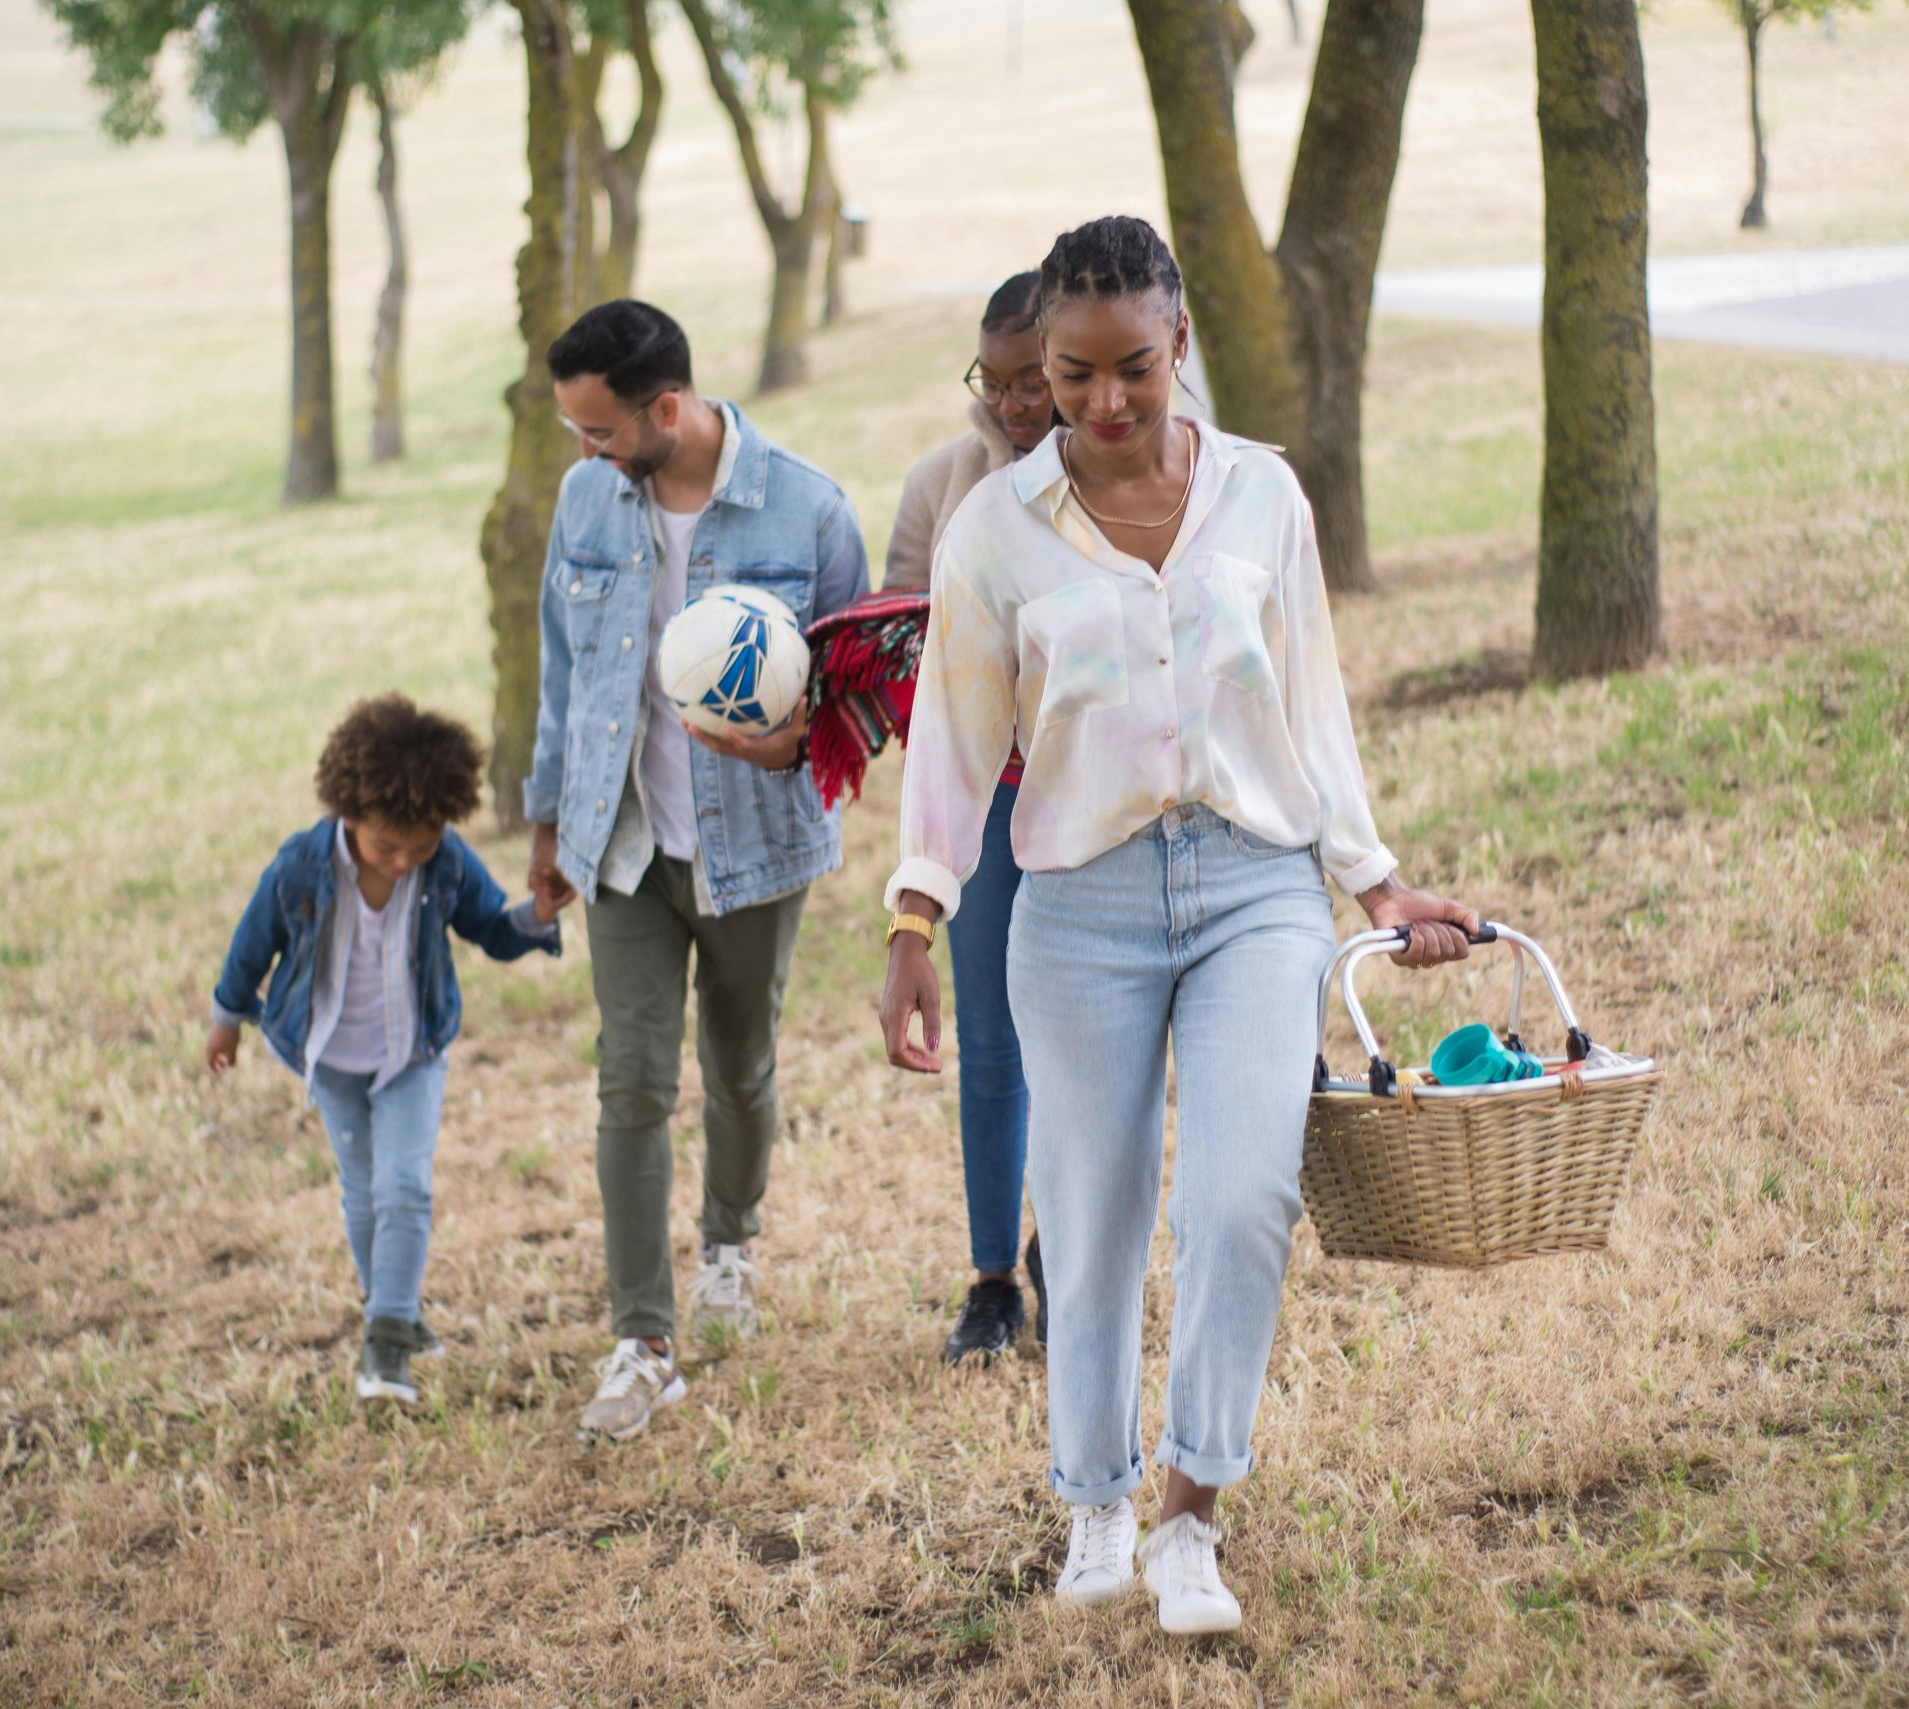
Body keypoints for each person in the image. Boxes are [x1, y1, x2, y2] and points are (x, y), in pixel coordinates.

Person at [875, 217, 1480, 1635]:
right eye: (1068, 374)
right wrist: (916, 914)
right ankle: (1093, 1498)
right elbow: (953, 743)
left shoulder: (1265, 497)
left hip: (1253, 886)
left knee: (1241, 1196)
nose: (1100, 405)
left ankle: (1191, 1515)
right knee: (1086, 1222)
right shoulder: (995, 531)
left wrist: (1375, 883)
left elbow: (1311, 707)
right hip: (1075, 904)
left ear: (1179, 345)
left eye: (1130, 369)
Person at [522, 299, 870, 1444]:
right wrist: (546, 823)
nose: (585, 452)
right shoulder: (587, 501)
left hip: (754, 845)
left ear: (662, 409)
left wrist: (794, 740)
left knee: (739, 1065)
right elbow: (562, 672)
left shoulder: (809, 509)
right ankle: (643, 1337)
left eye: (599, 429)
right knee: (629, 1080)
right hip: (621, 841)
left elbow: (860, 700)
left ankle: (730, 1241)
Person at [206, 695, 570, 1409]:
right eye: (385, 847)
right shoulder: (300, 866)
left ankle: (389, 1341)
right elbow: (252, 946)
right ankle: (393, 1304)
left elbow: (492, 930)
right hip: (332, 1054)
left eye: (421, 846)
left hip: (412, 1050)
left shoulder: (446, 862)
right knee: (364, 1190)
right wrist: (227, 1018)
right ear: (348, 814)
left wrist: (537, 915)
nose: (404, 862)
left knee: (406, 1186)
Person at [881, 272, 1059, 1365]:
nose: (1012, 405)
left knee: (1091, 1043)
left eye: (1032, 381)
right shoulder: (943, 483)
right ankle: (994, 1277)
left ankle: (1067, 1247)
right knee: (991, 1040)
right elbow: (898, 636)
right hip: (988, 805)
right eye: (992, 384)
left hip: (1093, 803)